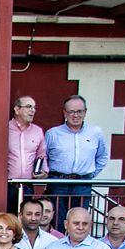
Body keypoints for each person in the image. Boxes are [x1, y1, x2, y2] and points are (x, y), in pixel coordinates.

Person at [46, 95, 110, 233]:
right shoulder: (53, 133)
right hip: (57, 182)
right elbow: (43, 157)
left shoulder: (95, 132)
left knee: (79, 221)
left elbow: (102, 157)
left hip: (82, 183)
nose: (76, 115)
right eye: (71, 112)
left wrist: (90, 174)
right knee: (57, 220)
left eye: (79, 111)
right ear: (64, 113)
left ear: (85, 112)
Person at [0, 96, 48, 210]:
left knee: (26, 222)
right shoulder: (2, 128)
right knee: (7, 221)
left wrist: (44, 172)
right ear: (17, 109)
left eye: (34, 107)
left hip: (27, 186)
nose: (32, 110)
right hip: (6, 186)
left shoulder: (37, 131)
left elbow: (41, 156)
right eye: (29, 107)